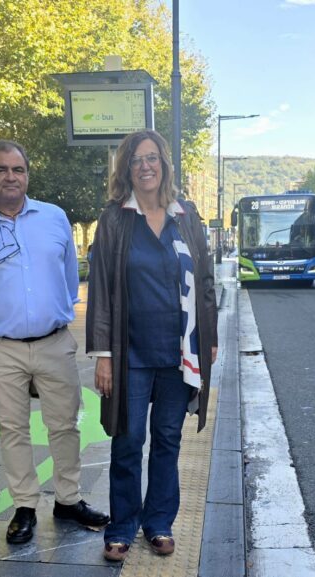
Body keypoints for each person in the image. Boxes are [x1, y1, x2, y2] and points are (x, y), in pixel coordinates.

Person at [0, 140, 109, 545]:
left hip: (54, 342)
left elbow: (70, 279)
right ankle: (24, 506)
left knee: (65, 425)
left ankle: (68, 500)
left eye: (17, 169)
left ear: (27, 175)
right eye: (0, 170)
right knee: (13, 429)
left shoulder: (54, 218)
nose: (10, 177)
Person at [86, 130, 219, 563]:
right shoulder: (115, 218)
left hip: (179, 350)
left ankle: (158, 522)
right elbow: (103, 288)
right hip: (130, 352)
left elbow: (204, 280)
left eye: (152, 158)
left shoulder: (187, 215)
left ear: (164, 163)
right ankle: (122, 527)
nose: (145, 166)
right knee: (127, 439)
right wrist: (103, 354)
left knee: (167, 439)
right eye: (137, 160)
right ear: (126, 169)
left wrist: (210, 339)